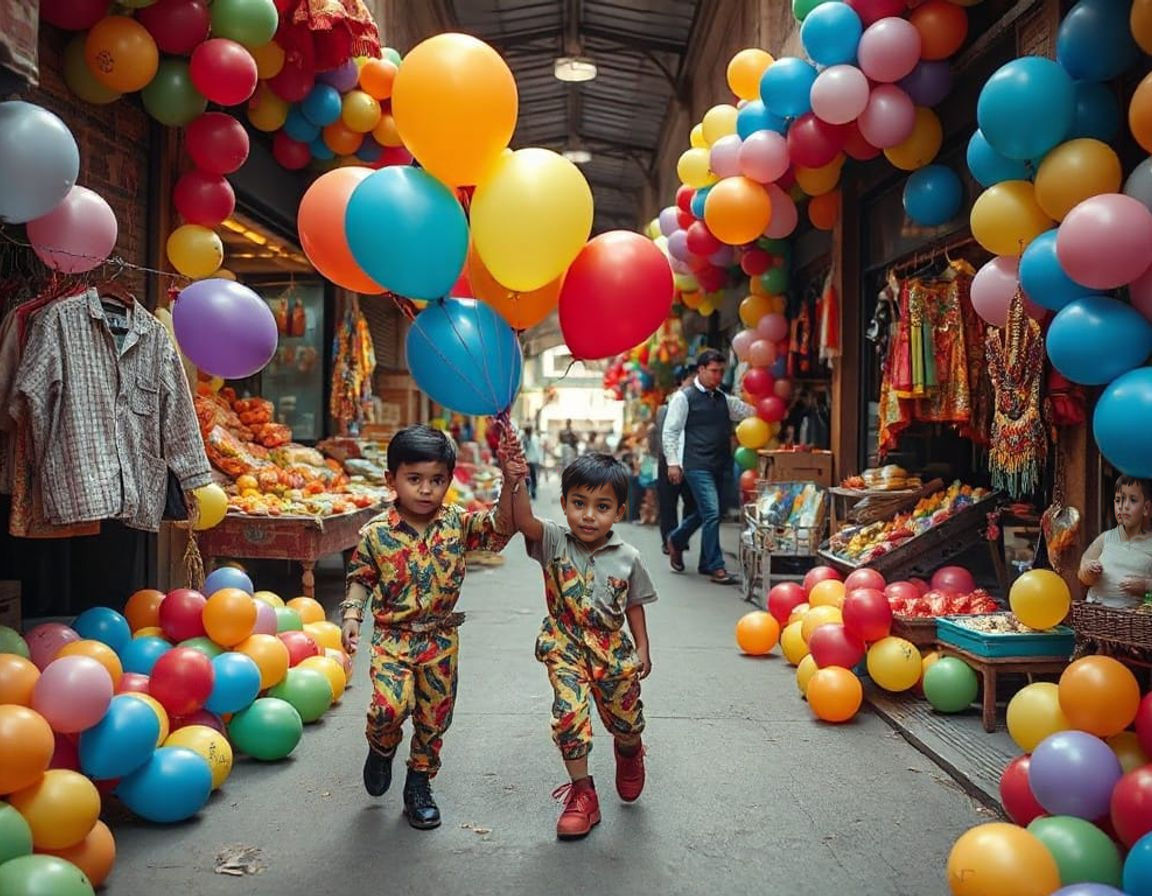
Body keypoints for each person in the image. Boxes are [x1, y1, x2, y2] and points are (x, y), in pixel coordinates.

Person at [340, 425, 517, 829]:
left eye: (436, 480)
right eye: (414, 479)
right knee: (387, 708)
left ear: (449, 482)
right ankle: (381, 747)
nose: (425, 490)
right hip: (392, 638)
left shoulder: (456, 523)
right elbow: (362, 577)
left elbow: (499, 529)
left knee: (434, 717)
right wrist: (352, 615)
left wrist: (510, 480)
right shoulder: (376, 534)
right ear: (392, 481)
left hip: (439, 639)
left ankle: (418, 783)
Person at [504, 449, 656, 840]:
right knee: (569, 716)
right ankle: (583, 795)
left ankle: (628, 750)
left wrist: (642, 648)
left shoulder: (629, 557)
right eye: (579, 503)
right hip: (565, 646)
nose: (589, 515)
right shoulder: (555, 540)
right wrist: (515, 479)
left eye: (602, 506)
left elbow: (635, 603)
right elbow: (523, 521)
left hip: (613, 653)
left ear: (619, 512)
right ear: (565, 504)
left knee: (626, 720)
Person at [663, 348, 755, 585]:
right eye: (714, 371)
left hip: (721, 464)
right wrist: (673, 463)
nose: (718, 376)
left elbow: (749, 413)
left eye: (721, 372)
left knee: (709, 511)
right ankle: (716, 566)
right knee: (712, 512)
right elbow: (670, 431)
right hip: (696, 464)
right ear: (701, 370)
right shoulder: (683, 398)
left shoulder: (724, 399)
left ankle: (678, 540)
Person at [1079, 475, 1152, 608]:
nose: (1124, 506)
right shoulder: (1105, 538)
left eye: (1133, 500)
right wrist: (1088, 571)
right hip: (1096, 613)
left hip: (1132, 620)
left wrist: (1146, 585)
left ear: (1146, 508)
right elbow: (1083, 572)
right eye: (1118, 500)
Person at [651, 365, 697, 552]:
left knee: (692, 503)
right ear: (683, 380)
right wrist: (669, 462)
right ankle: (669, 541)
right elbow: (662, 436)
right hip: (669, 460)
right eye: (692, 379)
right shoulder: (667, 406)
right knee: (668, 503)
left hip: (691, 460)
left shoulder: (697, 402)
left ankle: (680, 538)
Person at [522, 424, 542, 499]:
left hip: (527, 460)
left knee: (527, 477)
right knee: (533, 477)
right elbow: (538, 450)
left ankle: (528, 491)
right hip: (533, 460)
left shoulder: (524, 439)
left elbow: (523, 450)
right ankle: (533, 491)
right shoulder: (535, 438)